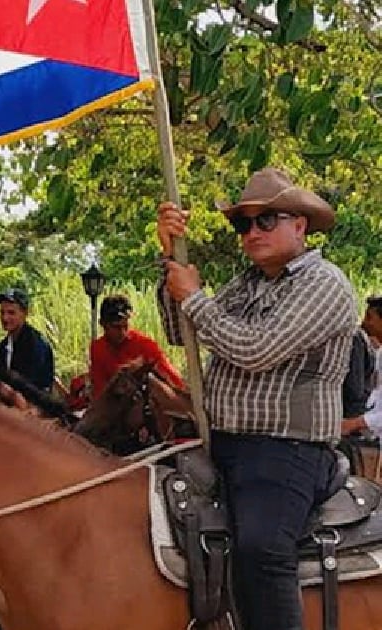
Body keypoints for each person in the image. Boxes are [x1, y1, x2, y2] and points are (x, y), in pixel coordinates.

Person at [157, 167, 356, 630]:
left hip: (285, 451)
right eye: (243, 224)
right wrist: (169, 264)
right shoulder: (248, 283)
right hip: (225, 443)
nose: (252, 233)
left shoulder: (324, 284)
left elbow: (254, 350)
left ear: (300, 225)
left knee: (262, 550)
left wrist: (195, 297)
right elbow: (179, 331)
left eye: (266, 220)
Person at [88, 294, 186, 397]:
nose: (122, 332)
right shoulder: (97, 348)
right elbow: (99, 390)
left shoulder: (146, 345)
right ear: (102, 324)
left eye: (125, 326)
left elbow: (173, 380)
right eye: (116, 327)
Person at [0, 288, 55, 392]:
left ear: (25, 313)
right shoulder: (4, 346)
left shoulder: (36, 345)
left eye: (11, 313)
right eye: (2, 312)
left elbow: (32, 386)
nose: (5, 318)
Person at [342, 296, 382, 436]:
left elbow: (355, 390)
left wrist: (354, 423)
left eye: (370, 317)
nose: (364, 322)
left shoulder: (355, 337)